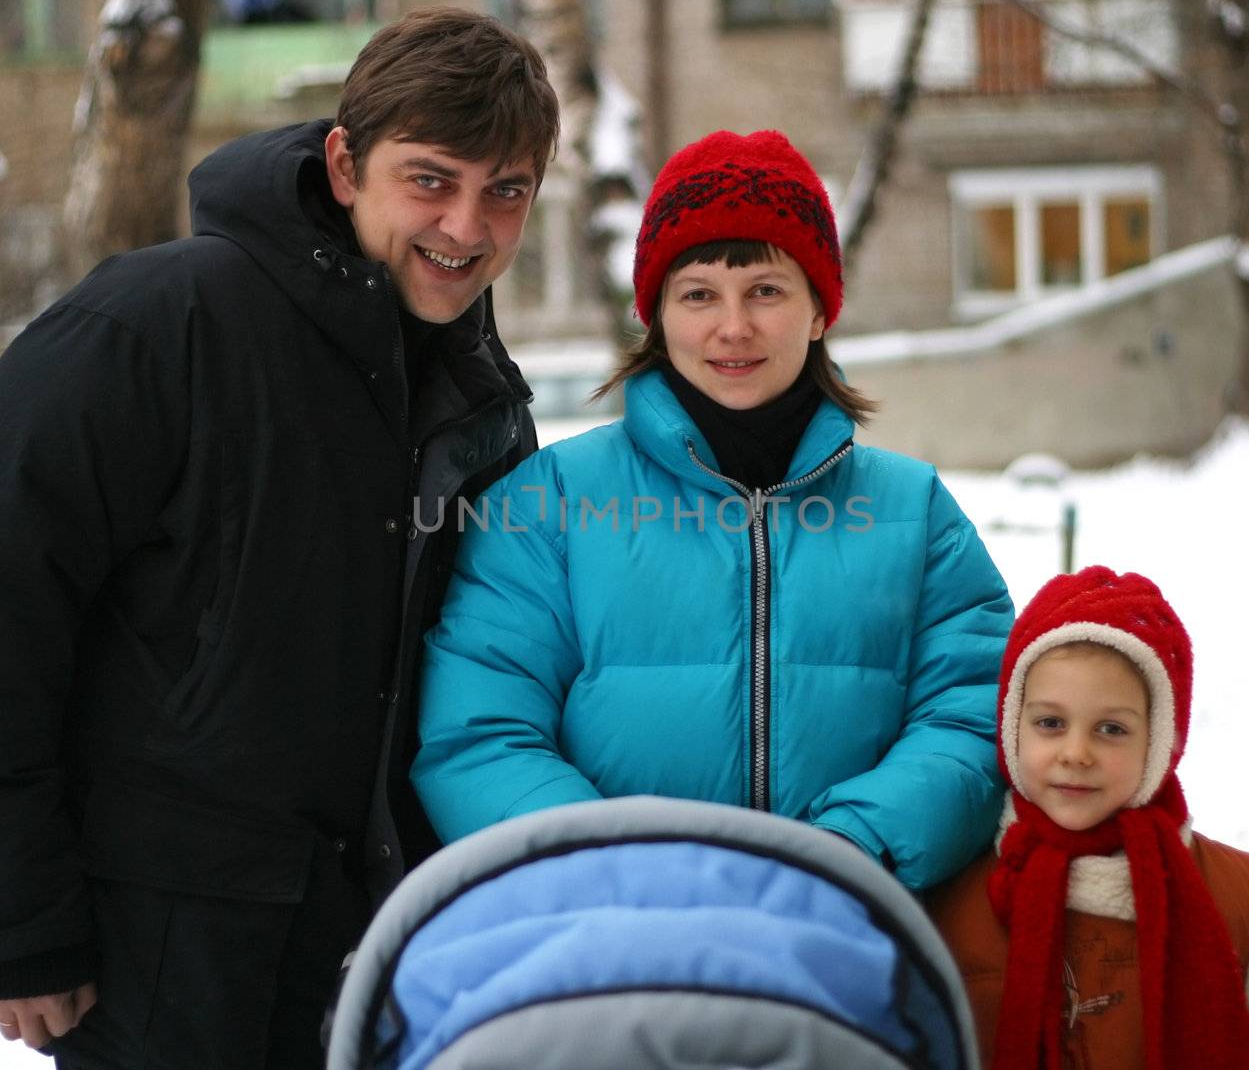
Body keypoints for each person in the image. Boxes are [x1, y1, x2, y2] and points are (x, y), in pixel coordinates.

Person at [0, 7, 557, 1069]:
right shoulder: (159, 323)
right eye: (431, 178)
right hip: (167, 948)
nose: (468, 225)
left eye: (506, 190)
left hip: (390, 951)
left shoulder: (478, 393)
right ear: (345, 165)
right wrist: (10, 915)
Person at [410, 129, 1014, 890]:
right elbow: (479, 733)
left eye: (766, 289)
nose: (734, 327)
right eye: (698, 294)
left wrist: (853, 851)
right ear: (657, 315)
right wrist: (615, 871)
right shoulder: (549, 506)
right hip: (610, 949)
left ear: (821, 310)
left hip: (849, 939)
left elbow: (972, 713)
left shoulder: (913, 512)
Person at [923, 566, 1249, 1069]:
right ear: (1011, 725)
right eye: (1050, 722)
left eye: (1111, 728)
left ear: (1159, 743)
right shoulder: (951, 892)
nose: (1076, 752)